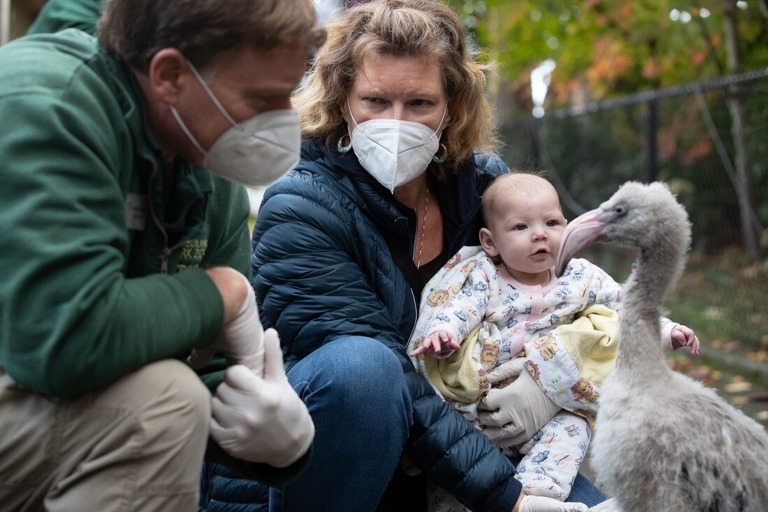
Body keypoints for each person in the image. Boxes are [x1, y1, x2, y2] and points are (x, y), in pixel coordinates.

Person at [243, 1, 605, 511]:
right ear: (341, 97)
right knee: (364, 368)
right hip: (337, 460)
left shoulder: (485, 189)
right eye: (374, 100)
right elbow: (385, 383)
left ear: (451, 106)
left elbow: (566, 302)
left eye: (418, 104)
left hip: (477, 445)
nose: (396, 123)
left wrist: (547, 383)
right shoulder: (300, 206)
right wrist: (510, 499)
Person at [0, 0, 326, 510]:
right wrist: (220, 291)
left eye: (288, 95)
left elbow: (202, 359)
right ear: (170, 75)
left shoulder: (208, 167)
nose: (285, 121)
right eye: (263, 98)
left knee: (172, 395)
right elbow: (65, 337)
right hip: (29, 366)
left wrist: (277, 440)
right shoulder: (49, 101)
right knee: (163, 405)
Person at [408, 171, 700, 510]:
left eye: (552, 223)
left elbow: (624, 306)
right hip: (485, 406)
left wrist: (665, 331)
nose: (540, 236)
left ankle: (541, 497)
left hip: (548, 403)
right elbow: (457, 306)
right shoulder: (483, 275)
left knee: (574, 425)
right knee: (455, 479)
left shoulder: (579, 275)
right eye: (521, 227)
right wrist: (443, 332)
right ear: (490, 242)